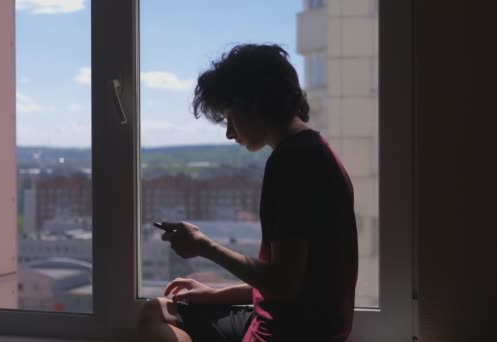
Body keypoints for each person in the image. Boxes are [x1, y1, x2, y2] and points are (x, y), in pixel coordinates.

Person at [138, 44, 358, 342]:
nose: (229, 132)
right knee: (158, 310)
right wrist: (218, 294)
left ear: (253, 105)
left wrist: (203, 246)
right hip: (313, 327)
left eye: (230, 117)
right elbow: (305, 281)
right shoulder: (318, 149)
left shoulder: (288, 163)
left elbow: (283, 284)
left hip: (284, 333)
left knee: (152, 317)